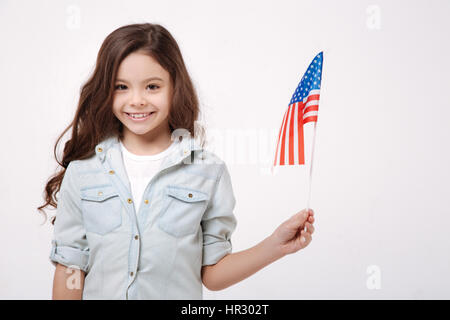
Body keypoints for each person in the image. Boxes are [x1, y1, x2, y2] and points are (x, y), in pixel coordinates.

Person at [38, 23, 315, 300]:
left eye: (152, 86)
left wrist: (274, 246)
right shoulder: (83, 171)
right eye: (121, 87)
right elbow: (70, 266)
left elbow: (213, 273)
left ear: (175, 88)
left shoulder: (208, 172)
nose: (136, 100)